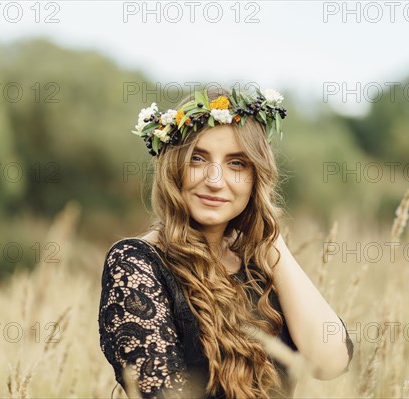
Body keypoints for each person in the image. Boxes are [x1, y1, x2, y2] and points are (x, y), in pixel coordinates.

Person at [98, 86, 354, 399]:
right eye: (197, 159)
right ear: (173, 168)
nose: (215, 180)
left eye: (237, 163)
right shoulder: (137, 264)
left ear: (255, 179)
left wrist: (271, 240)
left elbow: (330, 362)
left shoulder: (260, 264)